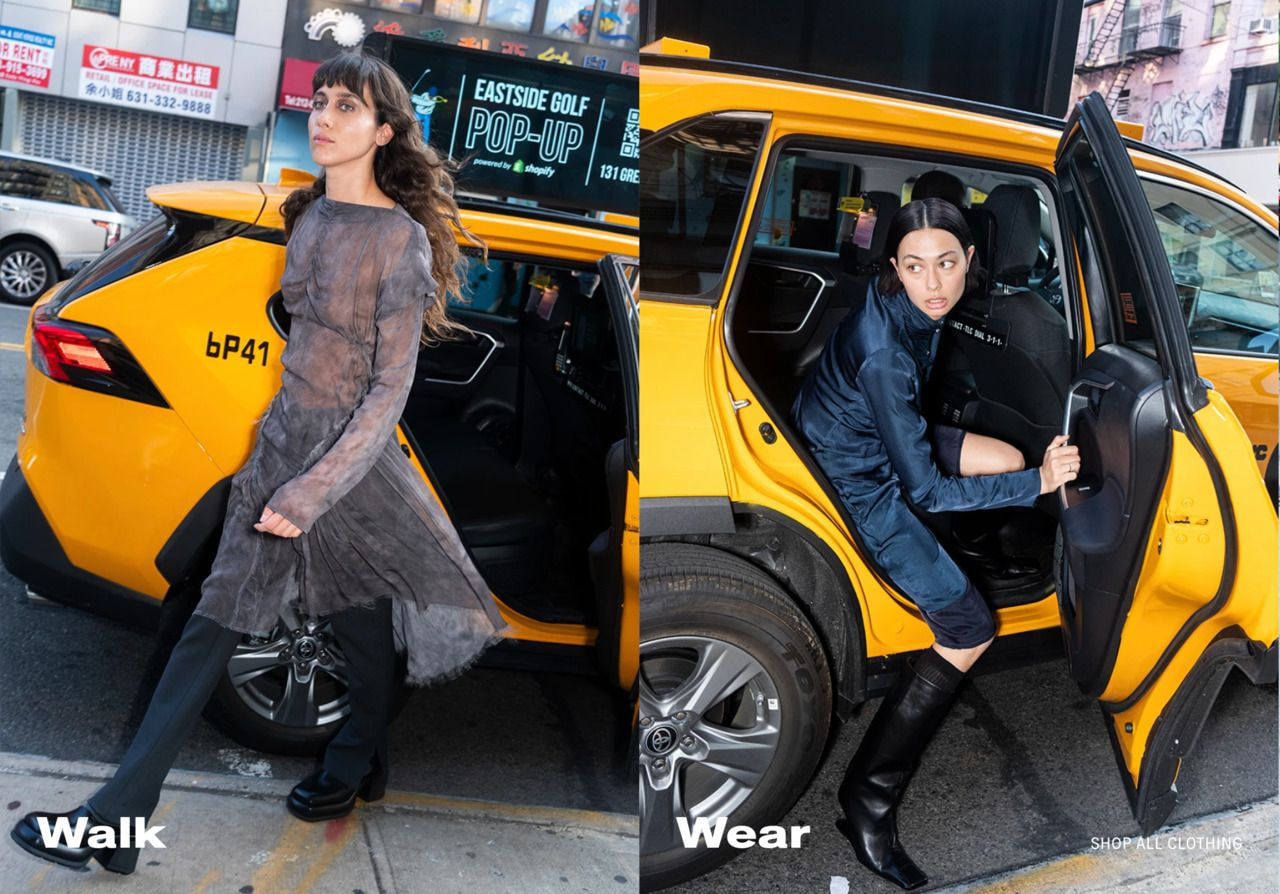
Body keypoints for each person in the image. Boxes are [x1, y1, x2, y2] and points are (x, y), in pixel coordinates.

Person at [10, 50, 510, 875]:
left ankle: (341, 763)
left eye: (346, 106)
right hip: (278, 447)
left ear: (383, 132)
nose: (323, 115)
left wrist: (312, 490)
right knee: (226, 627)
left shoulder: (400, 244)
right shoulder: (309, 216)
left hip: (342, 472)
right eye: (319, 100)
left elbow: (388, 391)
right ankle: (126, 821)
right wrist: (276, 460)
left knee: (340, 630)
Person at [791, 198, 1079, 890]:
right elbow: (922, 491)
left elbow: (913, 430)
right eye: (916, 267)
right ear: (894, 266)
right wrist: (1042, 484)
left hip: (873, 443)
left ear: (970, 261)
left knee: (1001, 455)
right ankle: (866, 803)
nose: (934, 283)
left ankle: (964, 555)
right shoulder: (888, 352)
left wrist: (1023, 472)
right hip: (863, 483)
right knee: (970, 624)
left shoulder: (911, 311)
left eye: (947, 263)